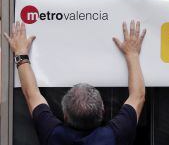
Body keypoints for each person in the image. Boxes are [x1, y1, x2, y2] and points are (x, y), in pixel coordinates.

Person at [3, 20, 146, 145]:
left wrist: (21, 51)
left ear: (65, 116)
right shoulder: (114, 137)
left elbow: (31, 94)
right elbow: (137, 96)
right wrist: (132, 54)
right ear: (103, 111)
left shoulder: (53, 135)